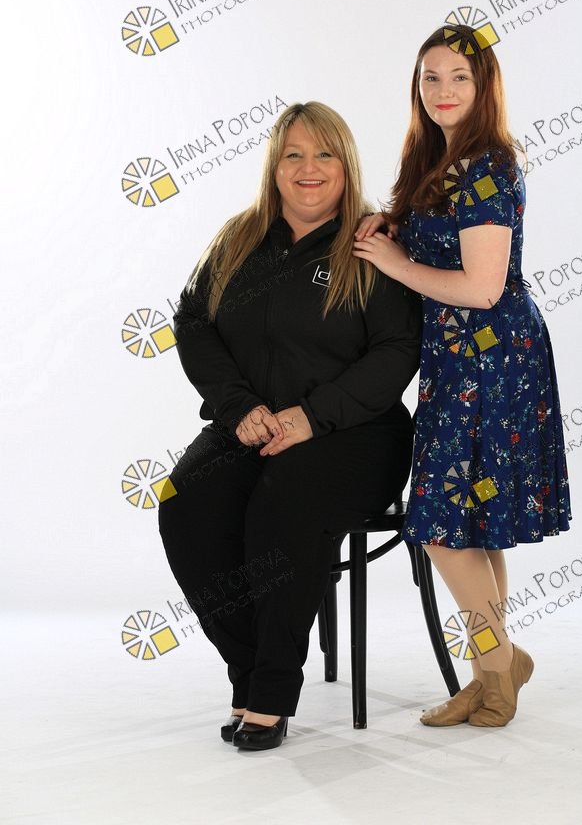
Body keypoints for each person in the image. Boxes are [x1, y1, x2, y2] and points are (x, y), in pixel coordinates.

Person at [158, 101, 421, 751]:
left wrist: (312, 416)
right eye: (294, 154)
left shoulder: (371, 244)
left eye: (324, 154)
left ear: (345, 164)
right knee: (187, 502)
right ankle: (248, 670)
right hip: (251, 426)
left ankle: (271, 694)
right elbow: (192, 321)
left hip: (356, 434)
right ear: (274, 166)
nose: (309, 168)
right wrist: (237, 407)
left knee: (284, 504)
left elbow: (397, 350)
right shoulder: (238, 238)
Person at [353, 24, 571, 728]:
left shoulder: (487, 166)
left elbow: (481, 286)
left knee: (443, 525)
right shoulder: (440, 159)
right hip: (458, 359)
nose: (442, 90)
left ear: (483, 87)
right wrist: (391, 227)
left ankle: (497, 671)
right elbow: (445, 247)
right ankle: (492, 670)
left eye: (459, 77)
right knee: (468, 524)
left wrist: (394, 264)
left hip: (493, 359)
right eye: (430, 77)